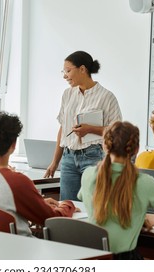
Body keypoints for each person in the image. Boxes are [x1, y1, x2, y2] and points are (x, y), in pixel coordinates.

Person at [78, 121, 154, 259]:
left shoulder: (88, 174)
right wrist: (144, 217)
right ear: (136, 149)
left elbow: (88, 202)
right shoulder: (145, 182)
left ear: (105, 146)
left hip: (91, 258)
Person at [0, 111, 76, 237]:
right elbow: (52, 220)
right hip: (23, 248)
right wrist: (67, 204)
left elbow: (0, 206)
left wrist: (39, 203)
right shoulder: (16, 181)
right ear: (13, 145)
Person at [44, 50, 122, 200]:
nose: (64, 76)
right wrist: (55, 162)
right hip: (68, 158)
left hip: (94, 156)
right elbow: (63, 128)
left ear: (82, 69)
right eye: (63, 71)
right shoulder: (67, 94)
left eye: (68, 71)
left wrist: (91, 129)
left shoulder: (107, 97)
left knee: (94, 205)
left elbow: (117, 132)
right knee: (67, 205)